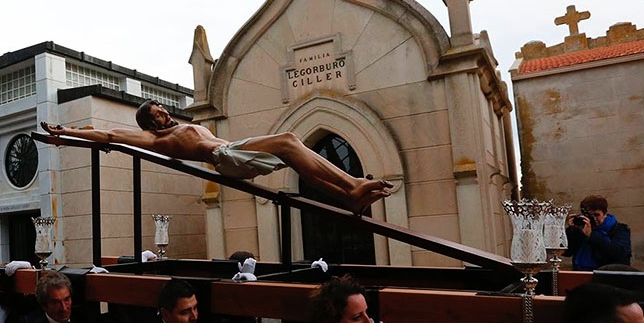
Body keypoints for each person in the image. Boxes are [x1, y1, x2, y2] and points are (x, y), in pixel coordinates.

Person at [40, 99, 393, 214]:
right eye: (158, 113)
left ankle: (347, 195)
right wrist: (66, 134)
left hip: (232, 151)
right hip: (225, 157)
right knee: (288, 141)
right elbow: (108, 135)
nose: (164, 112)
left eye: (162, 108)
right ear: (150, 122)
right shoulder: (155, 138)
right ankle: (352, 185)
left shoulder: (178, 128)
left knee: (292, 154)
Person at [563, 194, 632, 270]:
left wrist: (591, 235)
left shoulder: (619, 229)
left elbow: (618, 253)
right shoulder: (582, 228)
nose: (594, 219)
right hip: (581, 272)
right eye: (589, 215)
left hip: (608, 273)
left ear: (605, 213)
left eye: (597, 215)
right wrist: (572, 230)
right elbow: (566, 252)